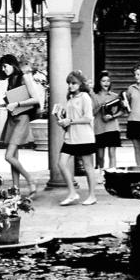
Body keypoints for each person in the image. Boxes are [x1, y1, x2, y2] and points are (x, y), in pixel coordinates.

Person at [0, 54, 41, 195]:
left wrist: (17, 104)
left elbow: (36, 99)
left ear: (13, 65)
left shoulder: (24, 77)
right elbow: (10, 102)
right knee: (14, 157)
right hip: (12, 119)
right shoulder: (11, 80)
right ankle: (15, 190)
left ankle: (30, 179)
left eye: (5, 66)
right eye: (2, 66)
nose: (3, 69)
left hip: (22, 118)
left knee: (8, 156)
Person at [56, 70, 97, 206]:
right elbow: (69, 119)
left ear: (80, 84)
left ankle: (92, 196)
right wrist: (62, 121)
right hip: (70, 137)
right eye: (69, 83)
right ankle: (72, 193)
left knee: (88, 166)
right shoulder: (70, 99)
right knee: (61, 163)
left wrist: (70, 121)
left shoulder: (85, 97)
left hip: (84, 137)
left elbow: (88, 118)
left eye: (74, 83)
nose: (71, 86)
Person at [91, 70, 123, 172]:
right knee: (100, 156)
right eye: (103, 81)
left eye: (108, 81)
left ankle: (113, 174)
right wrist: (101, 107)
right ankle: (101, 173)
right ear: (99, 82)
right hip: (99, 128)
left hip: (112, 128)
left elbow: (122, 111)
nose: (106, 83)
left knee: (112, 154)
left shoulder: (115, 96)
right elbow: (91, 113)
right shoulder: (94, 96)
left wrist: (113, 116)